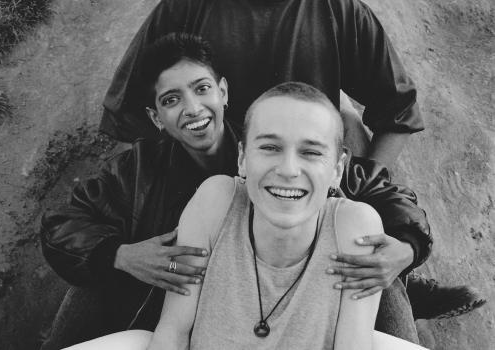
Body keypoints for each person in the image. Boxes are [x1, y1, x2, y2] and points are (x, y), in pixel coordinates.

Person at [97, 0, 485, 320]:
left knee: (364, 247)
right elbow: (130, 112)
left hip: (310, 176)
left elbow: (397, 110)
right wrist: (150, 212)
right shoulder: (185, 9)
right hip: (216, 175)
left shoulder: (339, 10)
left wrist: (362, 188)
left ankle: (400, 289)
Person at [40, 34, 431, 349]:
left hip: (302, 295)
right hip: (178, 297)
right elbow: (64, 224)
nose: (192, 108)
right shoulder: (138, 170)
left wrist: (409, 246)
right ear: (156, 118)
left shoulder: (277, 147)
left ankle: (416, 301)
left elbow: (381, 190)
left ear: (223, 92)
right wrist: (122, 256)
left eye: (201, 89)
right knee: (91, 278)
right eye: (171, 100)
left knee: (379, 269)